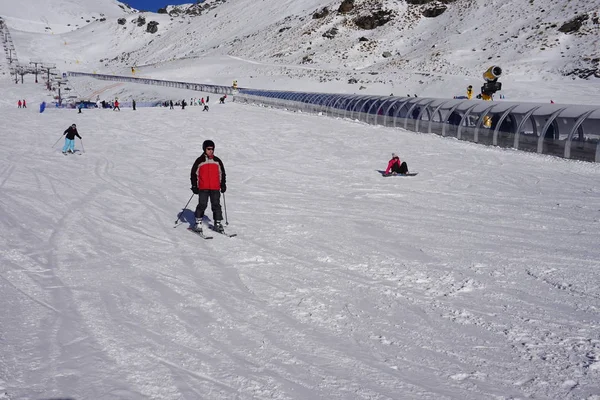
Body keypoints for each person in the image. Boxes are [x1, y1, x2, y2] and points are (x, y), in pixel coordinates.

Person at [190, 140, 227, 233]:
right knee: (202, 205)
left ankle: (217, 223)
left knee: (216, 205)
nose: (211, 151)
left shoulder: (217, 161)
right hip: (203, 188)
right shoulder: (200, 161)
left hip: (215, 187)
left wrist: (223, 184)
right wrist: (194, 186)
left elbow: (222, 173)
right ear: (204, 149)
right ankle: (198, 222)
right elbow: (193, 174)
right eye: (209, 149)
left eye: (212, 149)